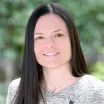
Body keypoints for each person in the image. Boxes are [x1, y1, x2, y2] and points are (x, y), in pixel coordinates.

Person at [6, 3, 104, 104]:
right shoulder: (17, 89)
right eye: (40, 37)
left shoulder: (96, 91)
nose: (49, 44)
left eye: (58, 35)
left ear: (72, 39)